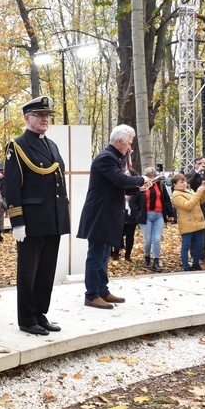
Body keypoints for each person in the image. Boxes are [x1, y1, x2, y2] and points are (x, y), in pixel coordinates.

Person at [3, 96, 70, 335]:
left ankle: (40, 314)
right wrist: (17, 221)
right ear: (27, 118)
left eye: (47, 116)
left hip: (52, 218)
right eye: (39, 115)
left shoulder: (51, 145)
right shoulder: (17, 146)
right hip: (31, 221)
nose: (44, 119)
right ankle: (26, 318)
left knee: (46, 271)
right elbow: (11, 187)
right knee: (29, 272)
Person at [77, 125, 148, 310]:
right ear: (119, 142)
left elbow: (117, 185)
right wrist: (140, 179)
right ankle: (91, 294)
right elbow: (120, 180)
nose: (130, 148)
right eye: (129, 144)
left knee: (104, 255)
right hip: (100, 214)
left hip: (106, 214)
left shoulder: (114, 158)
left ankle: (102, 290)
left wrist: (137, 188)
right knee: (96, 255)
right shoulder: (106, 158)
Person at [131, 167, 173, 271]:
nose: (152, 179)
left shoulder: (160, 185)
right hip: (146, 215)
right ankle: (147, 258)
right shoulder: (140, 186)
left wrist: (170, 214)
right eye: (149, 177)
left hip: (159, 215)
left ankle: (156, 261)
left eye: (153, 177)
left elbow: (166, 199)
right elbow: (132, 202)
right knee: (148, 239)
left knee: (156, 239)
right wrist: (139, 213)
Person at [171, 173, 205, 271]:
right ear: (175, 184)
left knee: (200, 244)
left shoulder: (190, 190)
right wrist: (198, 193)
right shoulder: (176, 195)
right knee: (186, 245)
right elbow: (188, 205)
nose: (184, 184)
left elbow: (200, 201)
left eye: (184, 181)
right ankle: (186, 265)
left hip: (197, 221)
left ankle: (195, 263)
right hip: (187, 222)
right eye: (181, 182)